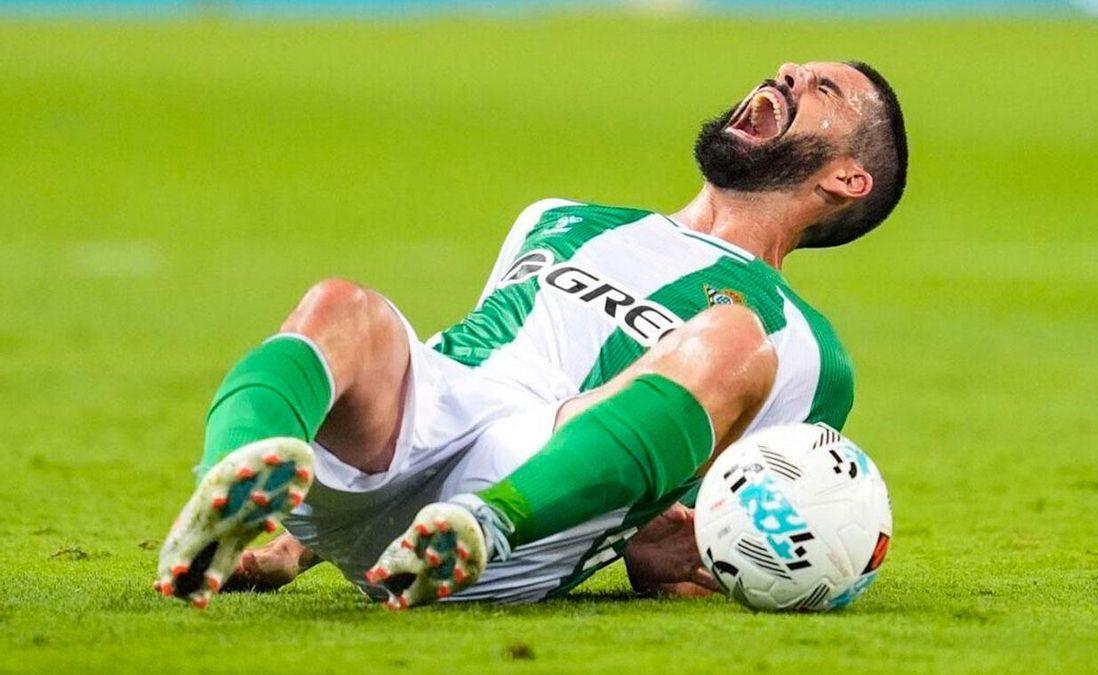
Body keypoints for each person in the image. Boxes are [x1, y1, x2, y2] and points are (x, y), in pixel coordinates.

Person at [154, 60, 908, 609]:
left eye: (824, 90)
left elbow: (699, 532)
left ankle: (485, 522)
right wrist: (293, 548)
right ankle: (233, 485)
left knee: (734, 338)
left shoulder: (805, 351)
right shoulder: (557, 218)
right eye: (795, 71)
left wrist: (692, 550)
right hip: (412, 436)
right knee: (340, 305)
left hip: (535, 495)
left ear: (846, 179)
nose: (786, 74)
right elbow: (460, 388)